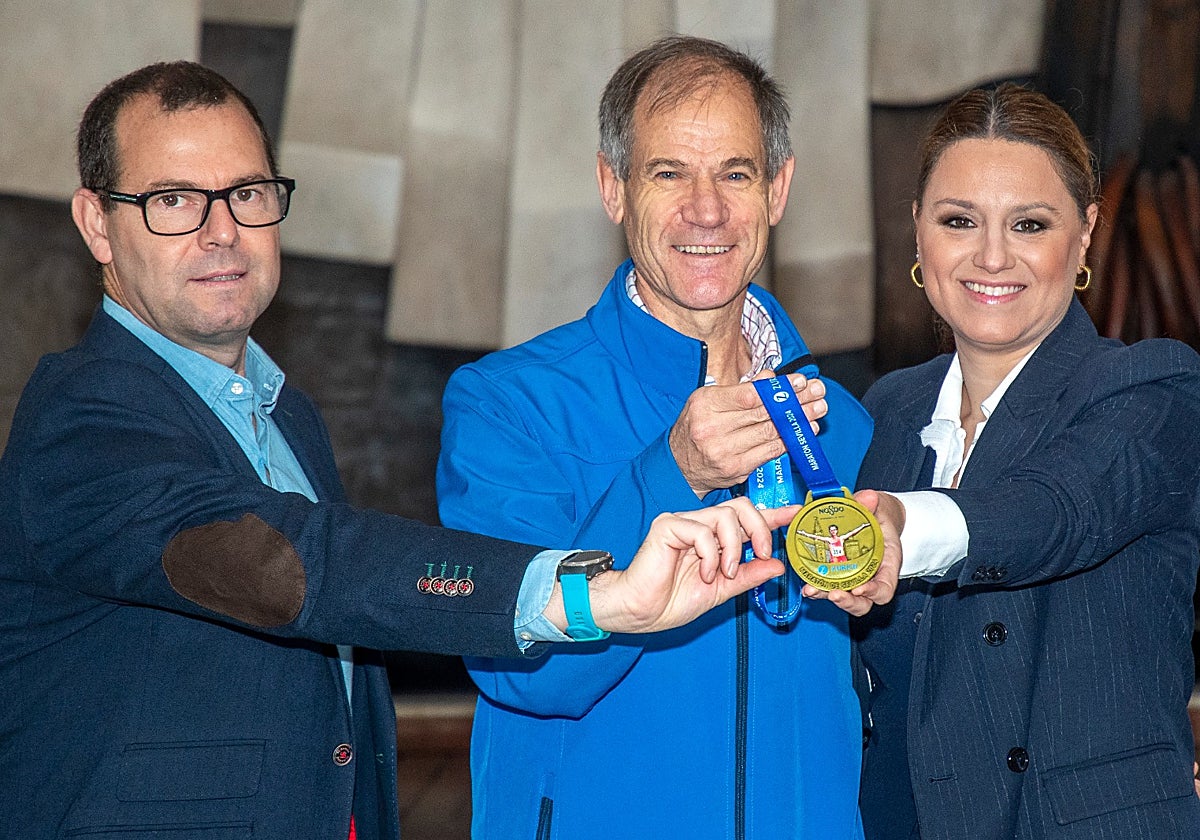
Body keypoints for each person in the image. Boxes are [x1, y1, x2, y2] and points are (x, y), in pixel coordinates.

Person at [0, 61, 796, 840]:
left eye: (246, 194)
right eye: (174, 200)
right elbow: (296, 565)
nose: (222, 231)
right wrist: (590, 597)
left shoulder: (286, 419)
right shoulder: (83, 420)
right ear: (97, 223)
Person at [437, 35, 873, 839]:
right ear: (613, 187)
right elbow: (525, 671)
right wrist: (672, 472)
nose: (705, 211)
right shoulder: (509, 406)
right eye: (668, 172)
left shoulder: (842, 423)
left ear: (777, 189)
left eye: (735, 174)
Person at [831, 84, 1200, 839]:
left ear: (1086, 232)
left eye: (1029, 224)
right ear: (918, 234)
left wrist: (905, 520)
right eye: (959, 221)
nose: (991, 256)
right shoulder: (888, 412)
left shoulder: (1154, 387)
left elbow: (1054, 510)